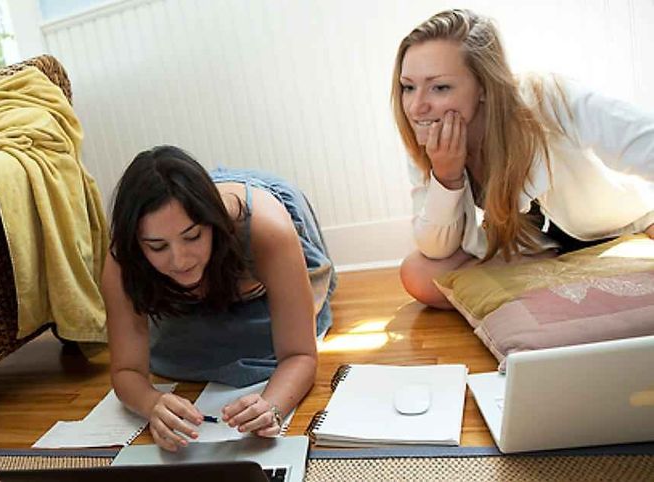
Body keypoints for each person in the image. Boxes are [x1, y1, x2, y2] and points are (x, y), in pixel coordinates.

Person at [393, 9, 654, 310]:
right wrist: (446, 177)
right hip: (542, 249)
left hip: (615, 225)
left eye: (440, 87)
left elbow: (642, 138)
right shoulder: (431, 135)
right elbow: (436, 248)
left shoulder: (549, 97)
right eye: (408, 87)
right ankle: (563, 276)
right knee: (419, 272)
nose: (416, 106)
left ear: (483, 86)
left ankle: (567, 283)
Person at [102, 145, 336, 452]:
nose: (180, 259)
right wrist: (152, 403)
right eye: (157, 247)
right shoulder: (122, 260)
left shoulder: (265, 229)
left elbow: (299, 354)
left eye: (193, 236)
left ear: (212, 225)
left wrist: (272, 407)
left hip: (256, 218)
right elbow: (126, 370)